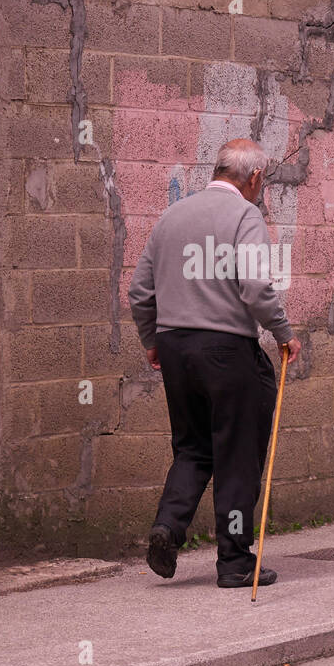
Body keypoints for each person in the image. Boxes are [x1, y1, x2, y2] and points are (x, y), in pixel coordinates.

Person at [128, 139, 302, 588]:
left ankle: (168, 526)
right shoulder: (246, 216)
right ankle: (236, 562)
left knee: (192, 446)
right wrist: (284, 333)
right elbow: (256, 289)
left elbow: (140, 291)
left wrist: (153, 341)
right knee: (238, 453)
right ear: (255, 178)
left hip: (174, 348)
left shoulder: (172, 215)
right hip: (225, 350)